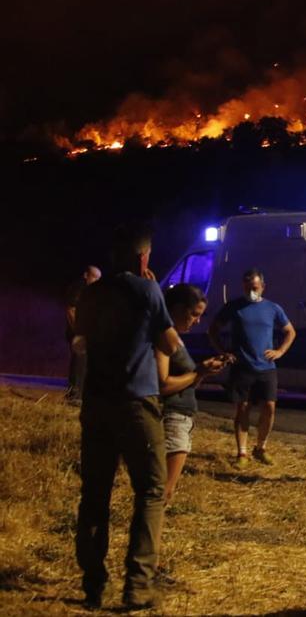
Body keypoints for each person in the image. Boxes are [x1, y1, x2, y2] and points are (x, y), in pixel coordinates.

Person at [73, 224, 181, 610]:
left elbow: (81, 343)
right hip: (137, 403)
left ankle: (92, 582)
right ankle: (137, 584)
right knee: (150, 491)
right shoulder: (148, 290)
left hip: (96, 403)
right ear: (143, 258)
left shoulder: (92, 293)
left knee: (95, 493)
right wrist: (155, 299)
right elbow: (171, 343)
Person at [208, 268, 296, 468]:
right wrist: (223, 351)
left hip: (267, 367)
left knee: (269, 408)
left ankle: (261, 447)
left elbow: (290, 332)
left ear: (263, 287)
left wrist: (280, 351)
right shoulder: (233, 307)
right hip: (242, 367)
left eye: (254, 287)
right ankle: (242, 453)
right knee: (243, 408)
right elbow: (213, 330)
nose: (251, 291)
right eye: (247, 287)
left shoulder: (273, 308)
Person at [157, 284, 228, 502]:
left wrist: (202, 374)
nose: (197, 321)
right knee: (163, 491)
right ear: (178, 309)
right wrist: (198, 371)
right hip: (173, 418)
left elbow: (187, 383)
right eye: (194, 314)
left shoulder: (177, 338)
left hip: (183, 418)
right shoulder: (164, 339)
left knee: (166, 489)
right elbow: (163, 385)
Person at [64, 265, 102, 404]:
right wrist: (78, 330)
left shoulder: (90, 291)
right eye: (94, 277)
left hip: (85, 332)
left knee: (83, 361)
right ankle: (74, 394)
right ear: (86, 275)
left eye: (99, 278)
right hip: (78, 332)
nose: (97, 281)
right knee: (79, 360)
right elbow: (71, 309)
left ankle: (79, 394)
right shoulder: (79, 288)